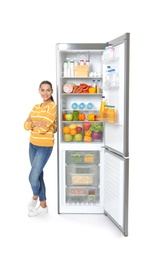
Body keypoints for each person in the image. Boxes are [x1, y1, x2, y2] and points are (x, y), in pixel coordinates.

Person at [24, 80, 57, 217]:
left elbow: (45, 128)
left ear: (51, 92)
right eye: (42, 90)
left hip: (44, 146)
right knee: (38, 175)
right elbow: (25, 125)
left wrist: (34, 123)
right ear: (39, 91)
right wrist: (35, 123)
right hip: (32, 144)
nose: (45, 93)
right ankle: (43, 206)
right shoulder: (36, 106)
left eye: (48, 90)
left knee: (33, 177)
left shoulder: (52, 107)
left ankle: (35, 197)